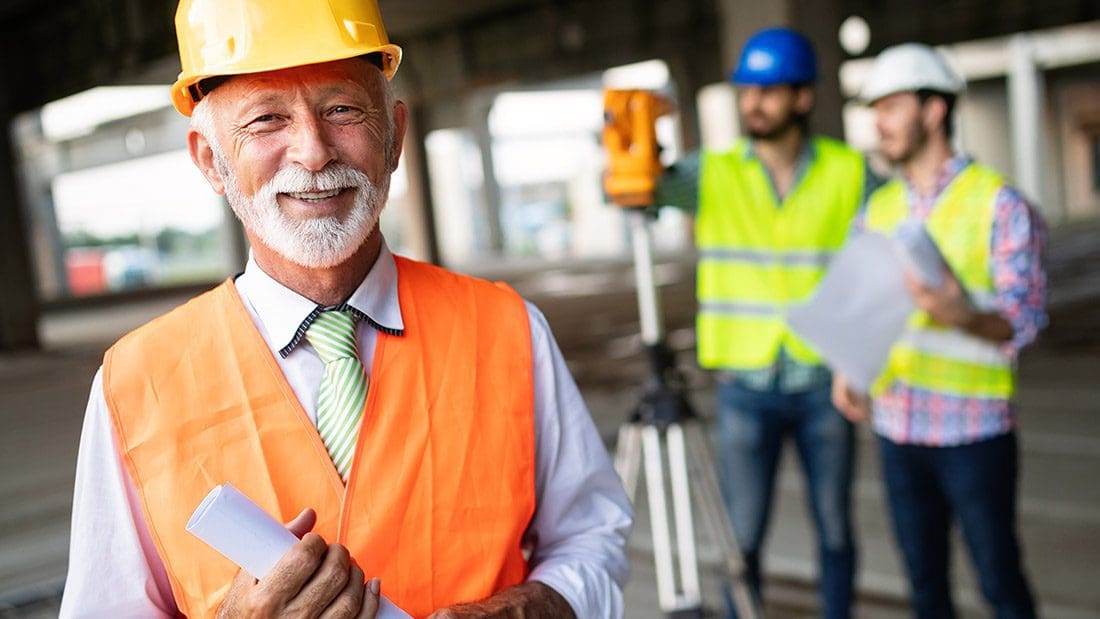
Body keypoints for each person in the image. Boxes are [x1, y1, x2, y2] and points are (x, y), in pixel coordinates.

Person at [58, 1, 632, 617]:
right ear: (209, 160)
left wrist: (531, 608)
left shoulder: (508, 329)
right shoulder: (134, 384)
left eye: (341, 110)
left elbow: (592, 536)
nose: (312, 152)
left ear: (395, 137)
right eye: (265, 121)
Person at [655, 27, 875, 619]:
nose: (753, 102)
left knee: (834, 531)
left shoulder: (849, 172)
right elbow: (640, 192)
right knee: (741, 539)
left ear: (803, 98)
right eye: (747, 90)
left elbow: (885, 262)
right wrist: (634, 146)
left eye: (769, 91)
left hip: (824, 382)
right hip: (745, 387)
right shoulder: (714, 172)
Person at [833, 43, 1046, 619]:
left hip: (974, 433)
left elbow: (1024, 321)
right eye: (875, 109)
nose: (879, 122)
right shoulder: (877, 212)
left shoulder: (998, 204)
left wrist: (963, 313)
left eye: (892, 106)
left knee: (1000, 583)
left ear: (933, 110)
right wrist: (849, 368)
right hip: (899, 428)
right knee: (925, 591)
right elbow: (863, 308)